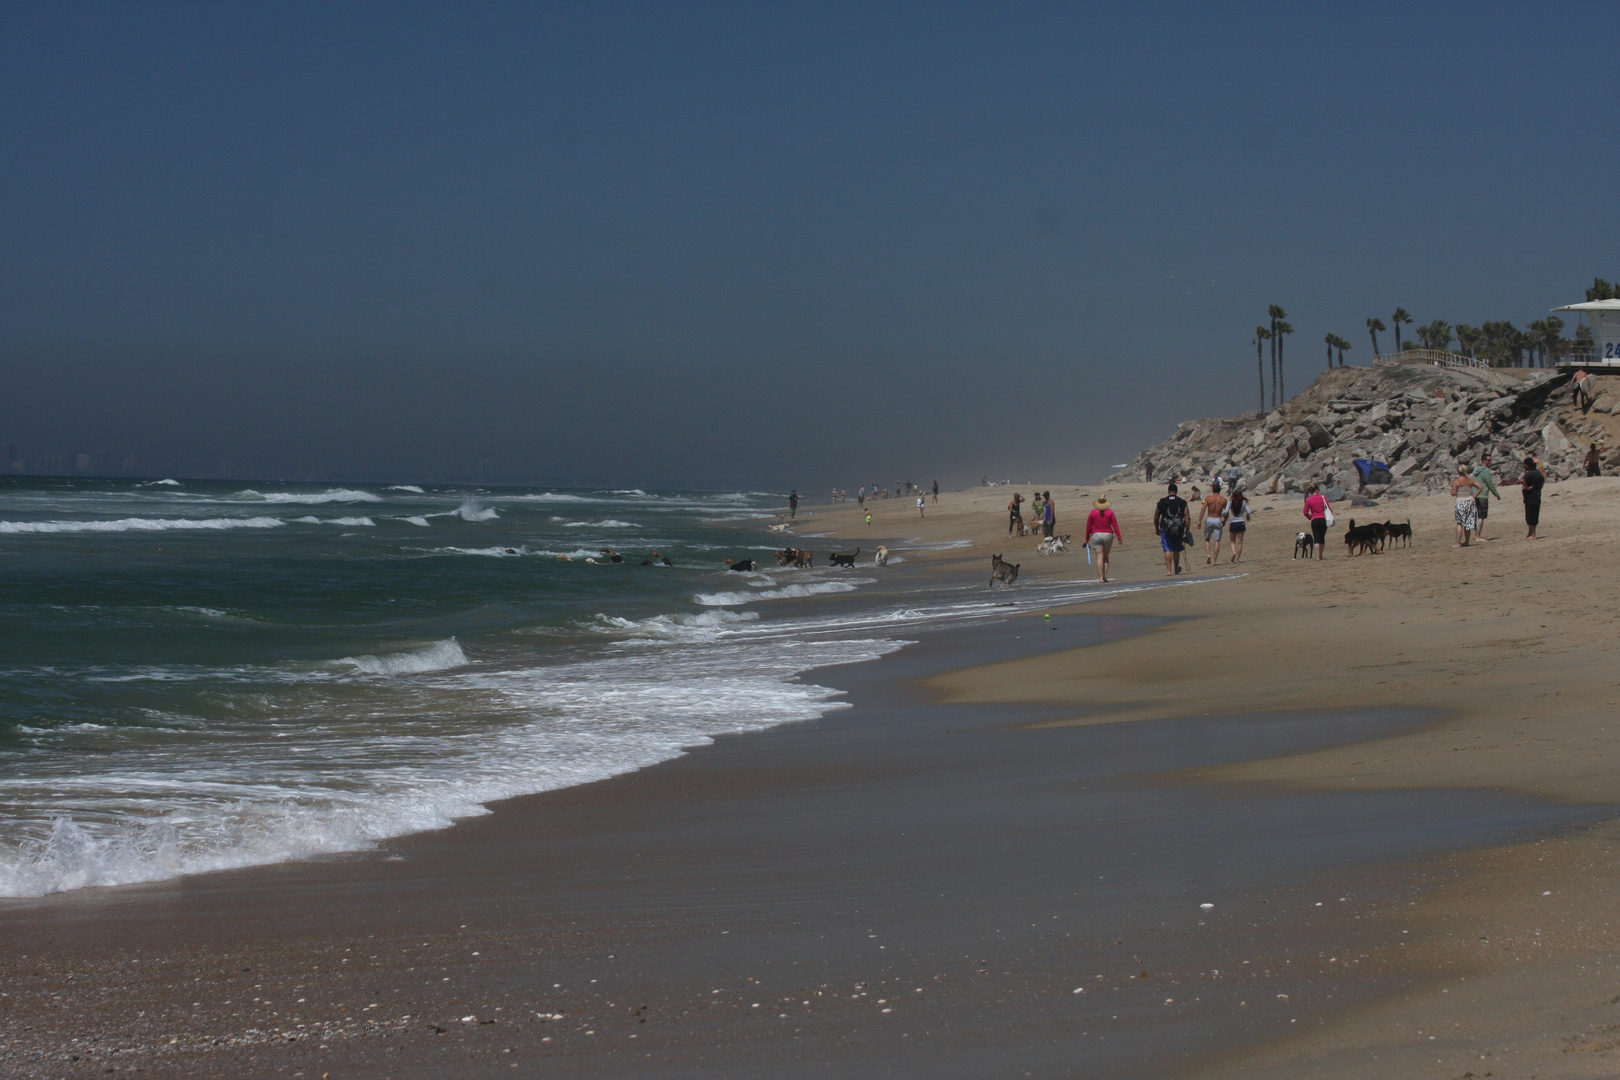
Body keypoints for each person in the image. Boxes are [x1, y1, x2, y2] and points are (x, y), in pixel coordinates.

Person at [1154, 482, 1190, 576]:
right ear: (1176, 491)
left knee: (1167, 548)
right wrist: (1187, 529)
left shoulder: (1162, 502)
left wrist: (1156, 528)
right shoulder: (1181, 502)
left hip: (1165, 528)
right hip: (1179, 528)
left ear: (1168, 491)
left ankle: (1169, 571)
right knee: (1176, 549)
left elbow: (1156, 516)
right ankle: (1176, 569)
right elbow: (1187, 516)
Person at [1085, 495, 1122, 583]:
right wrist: (1119, 537)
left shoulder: (1092, 513)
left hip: (1096, 535)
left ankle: (1101, 578)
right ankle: (1104, 576)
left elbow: (1088, 527)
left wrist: (1086, 539)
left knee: (1099, 557)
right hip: (1108, 535)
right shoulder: (1110, 513)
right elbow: (1115, 525)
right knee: (1105, 557)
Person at [1470, 453, 1502, 541]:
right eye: (1489, 460)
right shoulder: (1485, 470)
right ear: (1484, 460)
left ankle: (1476, 534)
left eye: (1491, 460)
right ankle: (1477, 536)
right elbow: (1489, 483)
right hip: (1482, 495)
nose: (1490, 462)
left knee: (1477, 516)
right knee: (1481, 516)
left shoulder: (1476, 470)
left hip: (1475, 494)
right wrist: (1496, 494)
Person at [1450, 463, 1482, 547]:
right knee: (1468, 523)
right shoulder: (1470, 480)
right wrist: (1474, 496)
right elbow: (1480, 487)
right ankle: (1466, 541)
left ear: (1458, 472)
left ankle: (1458, 542)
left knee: (1460, 523)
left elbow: (1453, 493)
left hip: (1460, 502)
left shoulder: (1457, 481)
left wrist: (1451, 489)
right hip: (1470, 501)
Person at [1199, 479, 1227, 565]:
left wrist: (1199, 521)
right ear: (1219, 490)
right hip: (1218, 519)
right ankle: (1214, 561)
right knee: (1217, 540)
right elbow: (1226, 512)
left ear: (1213, 490)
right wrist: (1225, 520)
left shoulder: (1208, 498)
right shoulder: (1223, 500)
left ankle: (1208, 555)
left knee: (1207, 539)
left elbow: (1203, 509)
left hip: (1210, 519)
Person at [1302, 482, 1331, 560]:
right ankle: (1321, 555)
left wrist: (1310, 517)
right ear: (1317, 490)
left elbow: (1305, 512)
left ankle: (1317, 556)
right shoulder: (1323, 497)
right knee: (1322, 538)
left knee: (1316, 538)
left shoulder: (1309, 500)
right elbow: (1329, 508)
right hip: (1323, 519)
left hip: (1314, 520)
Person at [1521, 455, 1544, 540]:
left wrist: (1527, 488)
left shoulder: (1529, 473)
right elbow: (1543, 481)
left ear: (1527, 465)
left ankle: (1532, 534)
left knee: (1530, 516)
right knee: (1534, 516)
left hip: (1530, 497)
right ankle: (1531, 533)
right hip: (1537, 496)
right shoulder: (1538, 473)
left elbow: (1522, 480)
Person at [1226, 485, 1249, 563]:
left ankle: (1234, 552)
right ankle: (1238, 559)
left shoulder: (1231, 501)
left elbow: (1225, 512)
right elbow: (1249, 511)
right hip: (1241, 522)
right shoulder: (1244, 502)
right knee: (1240, 542)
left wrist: (1223, 516)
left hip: (1233, 522)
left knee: (1232, 541)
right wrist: (1247, 515)